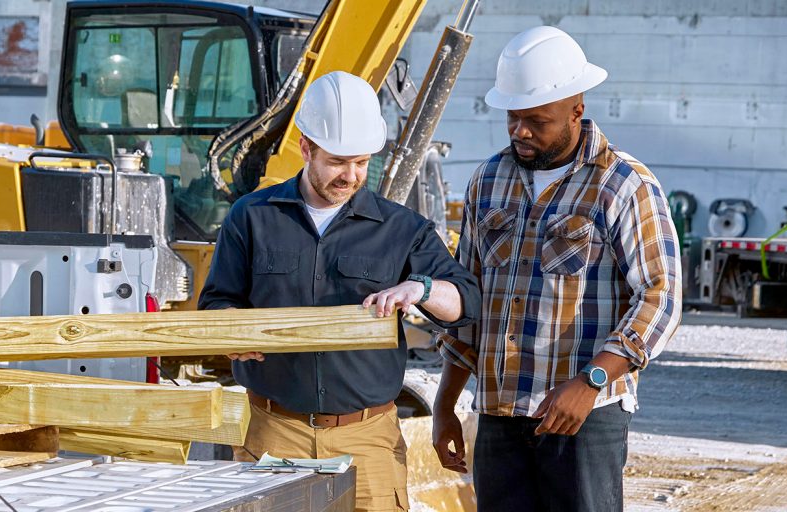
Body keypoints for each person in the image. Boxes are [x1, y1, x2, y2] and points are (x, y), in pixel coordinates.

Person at [198, 71, 480, 512]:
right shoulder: (250, 217)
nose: (350, 175)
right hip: (274, 431)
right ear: (306, 148)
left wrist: (421, 288)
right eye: (338, 161)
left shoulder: (403, 229)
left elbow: (465, 302)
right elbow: (217, 303)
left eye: (362, 162)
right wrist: (232, 334)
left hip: (367, 439)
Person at [431, 26, 683, 512]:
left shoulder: (623, 184)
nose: (520, 131)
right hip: (500, 418)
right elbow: (470, 300)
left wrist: (591, 382)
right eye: (512, 118)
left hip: (584, 420)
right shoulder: (488, 180)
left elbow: (661, 297)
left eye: (536, 120)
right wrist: (445, 405)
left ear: (576, 110)